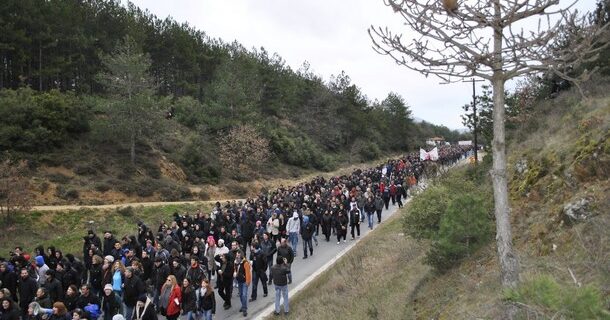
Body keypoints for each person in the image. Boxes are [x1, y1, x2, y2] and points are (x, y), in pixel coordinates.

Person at [233, 251, 251, 317]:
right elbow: (234, 269)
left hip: (244, 281)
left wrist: (247, 282)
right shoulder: (235, 262)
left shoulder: (245, 262)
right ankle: (243, 305)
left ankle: (244, 309)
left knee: (244, 295)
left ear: (241, 255)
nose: (237, 256)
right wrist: (234, 272)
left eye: (238, 255)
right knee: (240, 295)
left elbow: (248, 273)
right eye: (236, 255)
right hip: (239, 281)